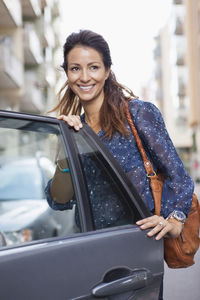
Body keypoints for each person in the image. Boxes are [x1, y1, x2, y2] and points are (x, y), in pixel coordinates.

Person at [46, 29, 194, 299]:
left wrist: (174, 221)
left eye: (93, 67)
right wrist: (65, 149)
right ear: (66, 73)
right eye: (75, 68)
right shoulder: (71, 128)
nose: (85, 77)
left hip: (135, 248)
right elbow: (58, 198)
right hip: (86, 247)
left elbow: (178, 176)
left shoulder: (137, 114)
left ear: (107, 70)